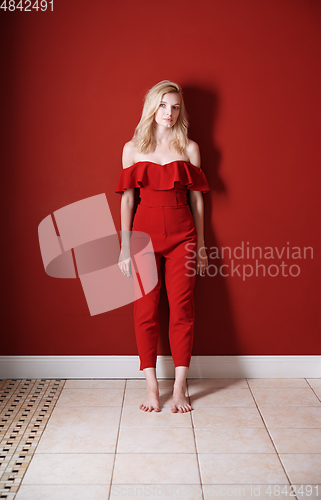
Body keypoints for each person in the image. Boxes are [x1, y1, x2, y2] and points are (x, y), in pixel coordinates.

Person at [116, 80, 210, 413]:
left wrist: (200, 244)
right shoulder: (132, 149)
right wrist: (124, 245)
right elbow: (128, 200)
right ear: (152, 108)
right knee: (145, 311)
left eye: (175, 107)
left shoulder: (190, 147)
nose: (169, 113)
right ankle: (152, 389)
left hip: (183, 237)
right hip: (142, 238)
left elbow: (198, 202)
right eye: (163, 106)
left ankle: (181, 388)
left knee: (182, 310)